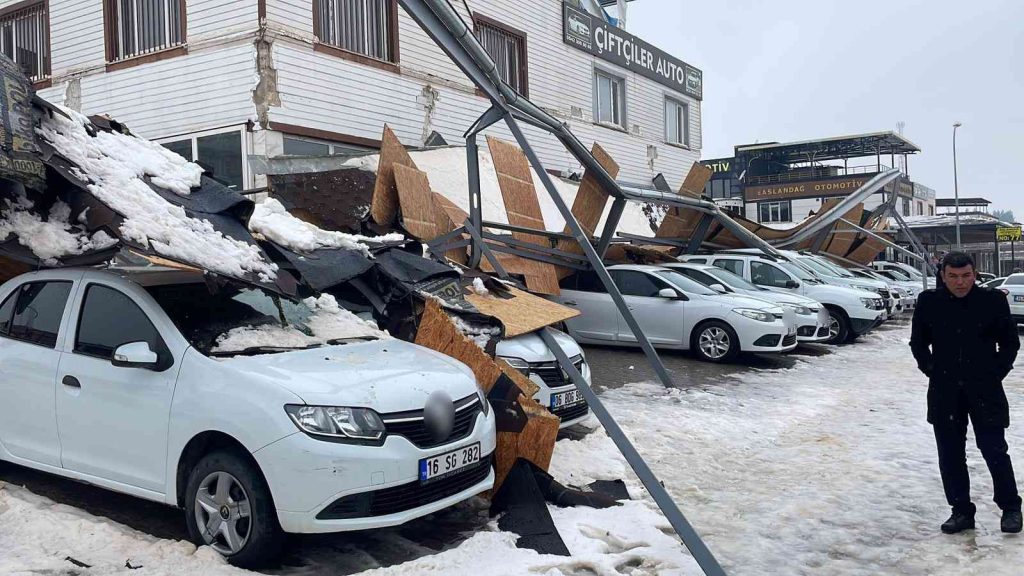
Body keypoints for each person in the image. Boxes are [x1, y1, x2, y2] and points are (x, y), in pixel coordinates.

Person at [911, 251, 1022, 534]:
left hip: (985, 390)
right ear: (943, 276)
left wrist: (994, 373)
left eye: (966, 276)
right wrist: (932, 369)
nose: (960, 282)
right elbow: (918, 344)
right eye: (953, 276)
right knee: (950, 454)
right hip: (944, 391)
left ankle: (1010, 508)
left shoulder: (993, 301)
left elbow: (1009, 344)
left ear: (975, 275)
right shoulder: (929, 302)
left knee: (994, 450)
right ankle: (961, 512)